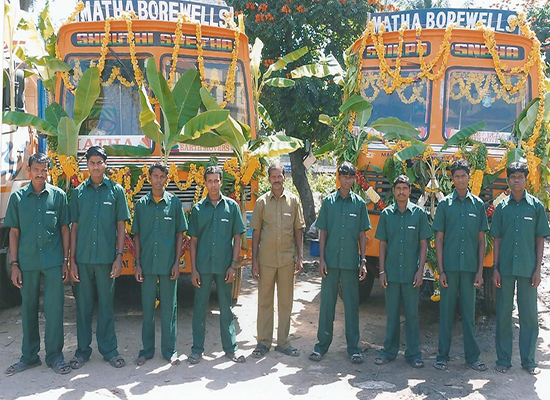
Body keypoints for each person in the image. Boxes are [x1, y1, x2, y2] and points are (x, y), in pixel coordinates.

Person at [4, 153, 71, 376]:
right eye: (36, 169)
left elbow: (65, 229)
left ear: (48, 171)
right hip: (28, 262)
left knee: (54, 309)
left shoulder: (59, 196)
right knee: (29, 309)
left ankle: (55, 356)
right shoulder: (18, 198)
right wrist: (14, 264)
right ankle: (30, 357)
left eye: (44, 169)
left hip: (53, 262)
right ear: (29, 170)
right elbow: (14, 233)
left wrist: (65, 261)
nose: (40, 174)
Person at [69, 146, 130, 369]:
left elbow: (121, 226)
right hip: (83, 259)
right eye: (92, 163)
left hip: (106, 260)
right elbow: (74, 227)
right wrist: (72, 260)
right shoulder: (78, 193)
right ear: (87, 165)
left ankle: (109, 350)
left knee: (106, 306)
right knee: (83, 307)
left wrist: (118, 256)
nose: (96, 167)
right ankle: (82, 352)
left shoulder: (116, 191)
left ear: (105, 164)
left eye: (99, 163)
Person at [489, 161, 550, 375]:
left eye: (520, 176)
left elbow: (540, 239)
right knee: (504, 314)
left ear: (526, 179)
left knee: (529, 315)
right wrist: (495, 267)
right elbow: (496, 239)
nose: (516, 180)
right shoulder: (502, 208)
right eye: (513, 176)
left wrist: (538, 270)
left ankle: (529, 361)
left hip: (527, 268)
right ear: (508, 180)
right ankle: (503, 360)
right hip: (505, 269)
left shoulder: (536, 207)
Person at [309, 162, 370, 364]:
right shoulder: (328, 202)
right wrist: (321, 259)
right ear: (339, 177)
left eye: (351, 177)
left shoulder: (359, 204)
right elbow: (323, 232)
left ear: (354, 179)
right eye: (345, 176)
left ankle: (354, 348)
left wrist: (363, 260)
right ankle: (321, 346)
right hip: (331, 262)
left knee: (352, 306)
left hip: (351, 263)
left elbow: (362, 235)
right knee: (327, 305)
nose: (347, 180)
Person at [432, 159, 489, 372]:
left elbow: (482, 241)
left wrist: (480, 271)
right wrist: (441, 270)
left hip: (469, 270)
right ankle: (442, 356)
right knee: (446, 313)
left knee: (468, 315)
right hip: (449, 269)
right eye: (456, 176)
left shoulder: (478, 205)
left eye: (464, 175)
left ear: (469, 177)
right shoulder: (445, 205)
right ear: (452, 179)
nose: (460, 179)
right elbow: (439, 239)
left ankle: (472, 357)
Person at [187, 166, 246, 364]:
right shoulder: (198, 209)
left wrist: (233, 266)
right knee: (199, 308)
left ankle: (230, 348)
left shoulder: (232, 207)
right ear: (205, 183)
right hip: (203, 267)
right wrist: (194, 269)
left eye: (216, 181)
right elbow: (193, 242)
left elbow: (237, 238)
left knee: (226, 309)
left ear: (221, 182)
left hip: (224, 267)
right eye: (209, 181)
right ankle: (197, 350)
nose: (213, 185)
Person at [132, 163, 187, 366]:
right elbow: (137, 236)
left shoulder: (174, 203)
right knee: (147, 309)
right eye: (155, 176)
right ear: (149, 178)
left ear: (166, 179)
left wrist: (176, 263)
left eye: (162, 176)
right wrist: (138, 264)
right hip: (146, 264)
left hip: (167, 263)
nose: (158, 180)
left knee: (169, 310)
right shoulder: (141, 204)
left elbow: (180, 234)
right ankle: (146, 351)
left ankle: (169, 351)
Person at [374, 174, 430, 368]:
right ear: (394, 191)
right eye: (398, 188)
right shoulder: (387, 214)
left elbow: (423, 244)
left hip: (410, 274)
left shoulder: (418, 214)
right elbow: (382, 244)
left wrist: (420, 270)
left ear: (409, 191)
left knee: (412, 315)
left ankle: (413, 354)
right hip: (391, 274)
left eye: (405, 188)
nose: (401, 192)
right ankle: (389, 351)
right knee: (392, 315)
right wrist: (382, 271)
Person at [250, 162, 305, 358]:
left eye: (279, 176)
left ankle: (283, 342)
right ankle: (263, 342)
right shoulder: (262, 203)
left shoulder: (294, 201)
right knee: (264, 301)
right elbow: (256, 233)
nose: (276, 180)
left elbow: (298, 230)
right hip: (266, 260)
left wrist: (300, 256)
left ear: (284, 177)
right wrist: (254, 261)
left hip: (287, 260)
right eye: (273, 177)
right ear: (269, 179)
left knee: (285, 303)